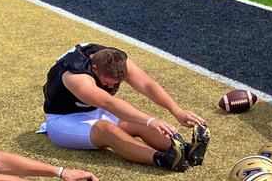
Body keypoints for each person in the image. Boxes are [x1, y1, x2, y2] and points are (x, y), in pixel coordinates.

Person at [40, 43, 208, 171]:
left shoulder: (114, 59)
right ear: (95, 69)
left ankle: (186, 150)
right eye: (107, 83)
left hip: (94, 110)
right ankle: (163, 159)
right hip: (64, 119)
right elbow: (109, 103)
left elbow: (147, 84)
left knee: (138, 121)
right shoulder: (76, 77)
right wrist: (151, 121)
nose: (112, 87)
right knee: (108, 130)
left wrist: (176, 110)